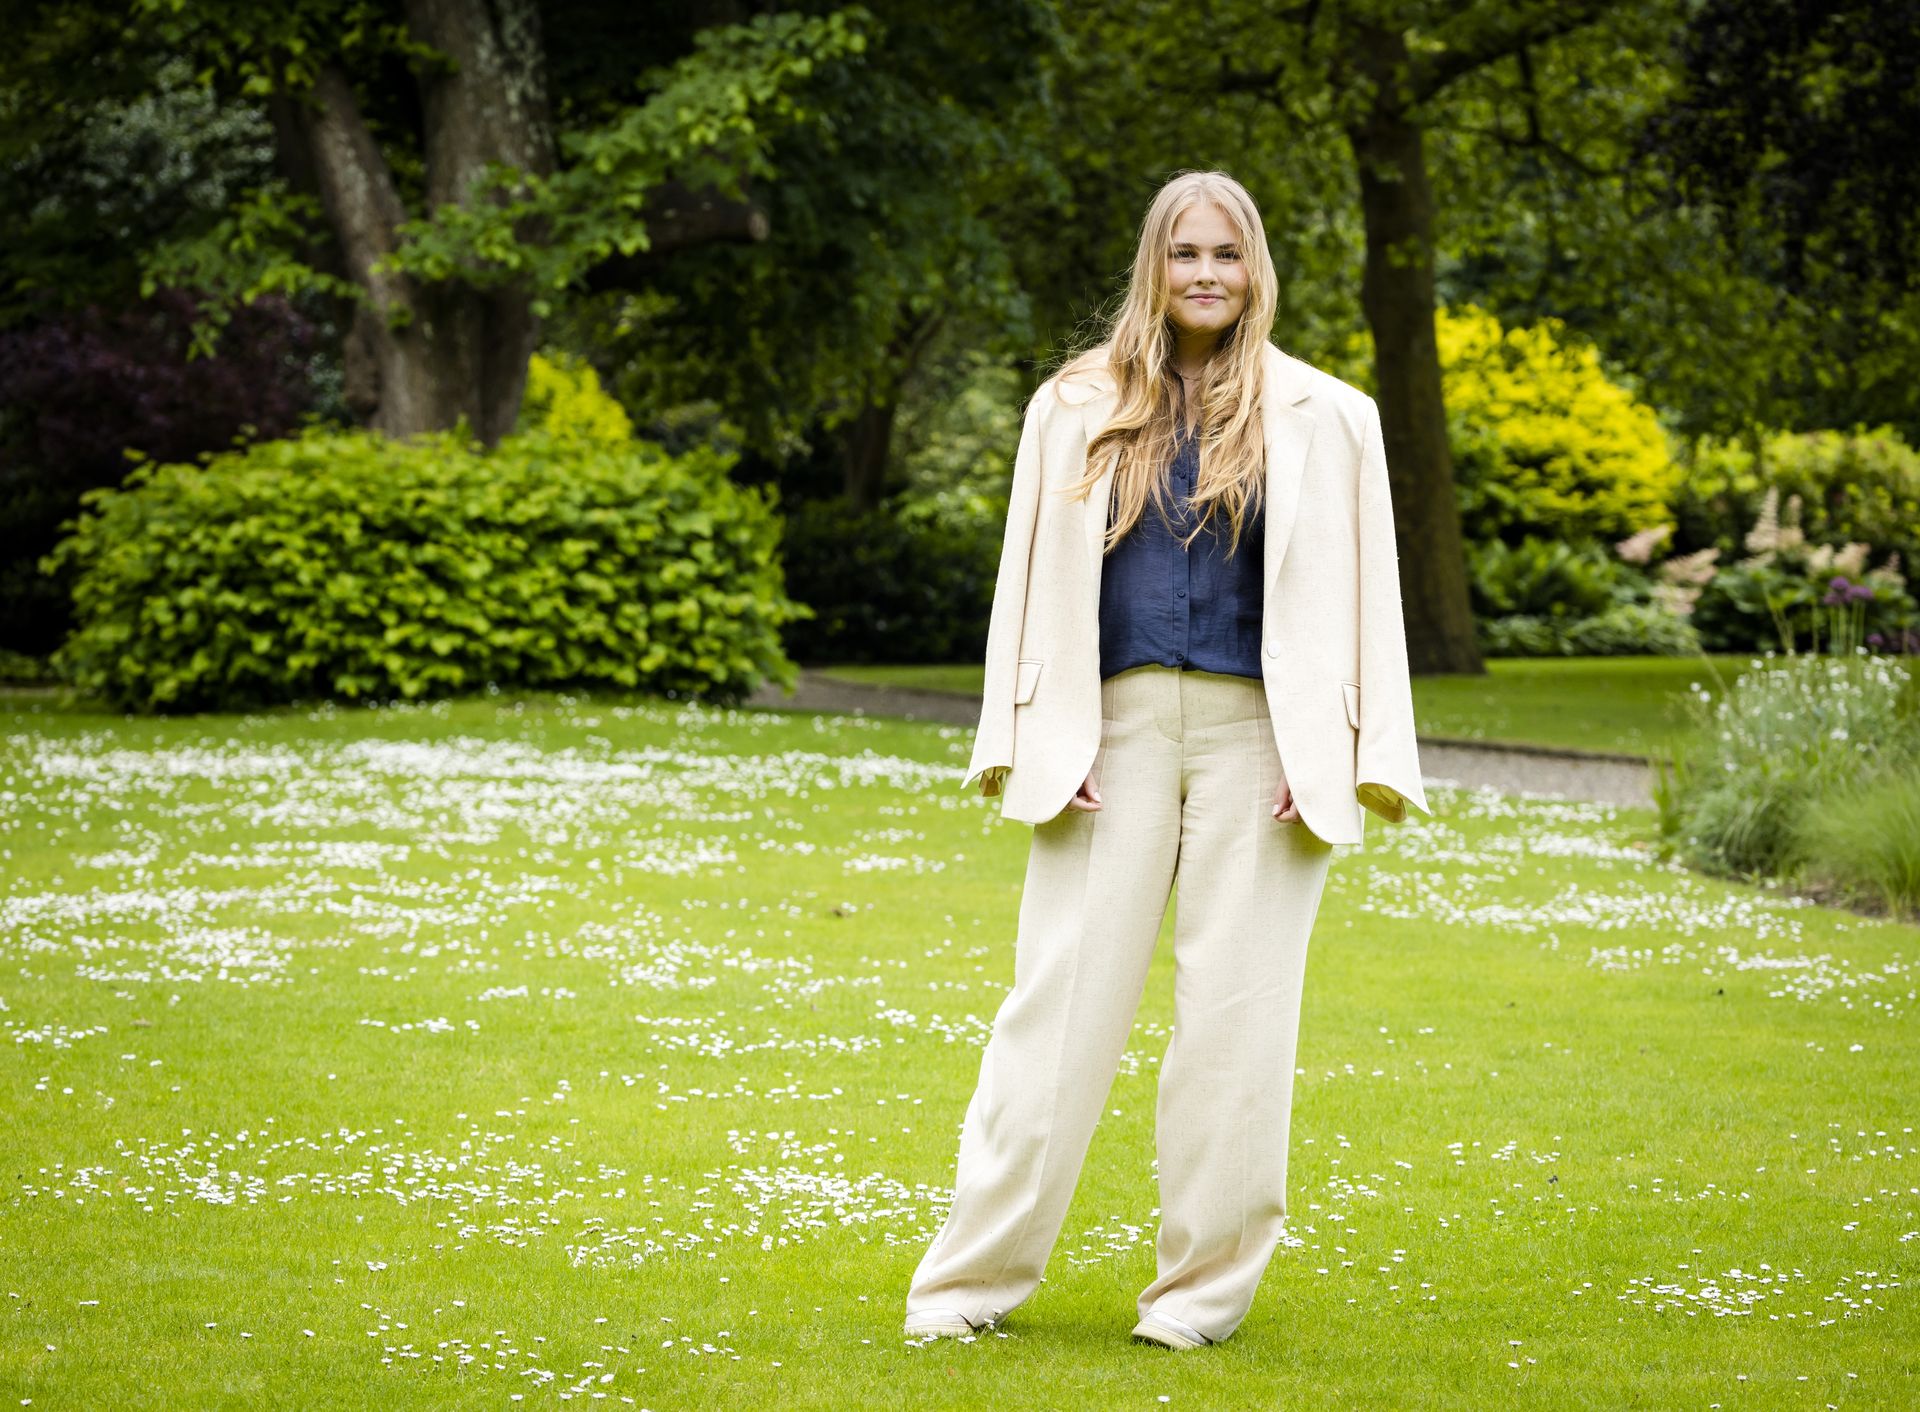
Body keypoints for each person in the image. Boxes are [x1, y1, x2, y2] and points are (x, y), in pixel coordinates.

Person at [901, 169, 1430, 1350]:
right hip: (1111, 738)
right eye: (1185, 252)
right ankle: (965, 1286)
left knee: (1239, 1031)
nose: (1205, 273)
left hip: (1263, 749)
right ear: (1155, 263)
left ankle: (1197, 1300)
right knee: (1055, 1017)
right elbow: (1025, 589)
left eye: (1226, 254)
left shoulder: (1330, 415)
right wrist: (1034, 739)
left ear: (1257, 272)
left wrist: (1340, 758)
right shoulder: (1071, 405)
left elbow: (1368, 605)